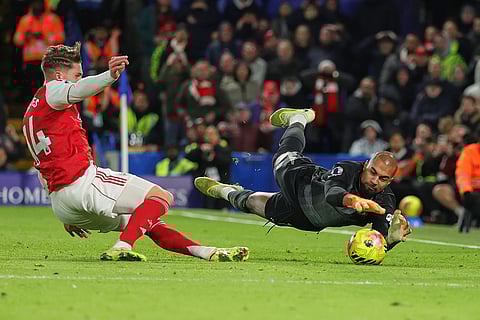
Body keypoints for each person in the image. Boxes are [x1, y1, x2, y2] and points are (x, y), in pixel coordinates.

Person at [22, 42, 248, 262]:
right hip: (82, 183)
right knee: (162, 197)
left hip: (61, 202)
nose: (79, 80)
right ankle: (123, 246)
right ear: (60, 75)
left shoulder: (31, 113)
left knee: (145, 220)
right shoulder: (54, 91)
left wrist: (67, 210)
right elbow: (78, 90)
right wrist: (109, 75)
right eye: (77, 74)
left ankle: (206, 252)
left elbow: (43, 167)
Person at [195, 108, 411, 251]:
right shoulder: (348, 169)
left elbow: (378, 240)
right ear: (365, 165)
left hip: (306, 219)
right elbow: (332, 193)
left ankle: (222, 190)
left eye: (383, 179)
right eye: (372, 172)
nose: (375, 180)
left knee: (252, 204)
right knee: (281, 156)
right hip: (300, 182)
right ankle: (299, 118)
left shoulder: (385, 202)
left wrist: (390, 239)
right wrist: (352, 200)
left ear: (389, 182)